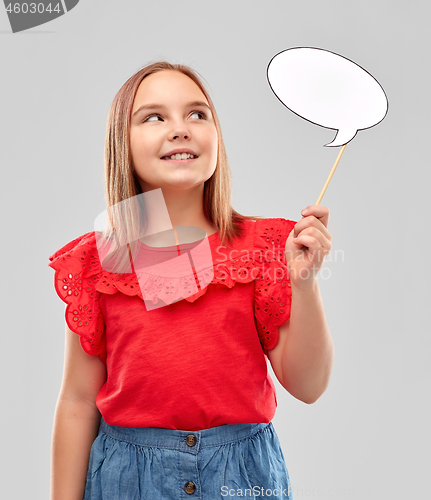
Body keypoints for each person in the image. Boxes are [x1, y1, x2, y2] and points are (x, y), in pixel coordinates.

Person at [49, 61, 334, 500]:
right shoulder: (96, 260)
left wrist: (305, 284)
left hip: (242, 476)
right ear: (121, 143)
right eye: (154, 116)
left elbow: (309, 386)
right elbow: (77, 402)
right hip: (127, 480)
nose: (180, 128)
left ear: (216, 137)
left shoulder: (266, 246)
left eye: (197, 114)